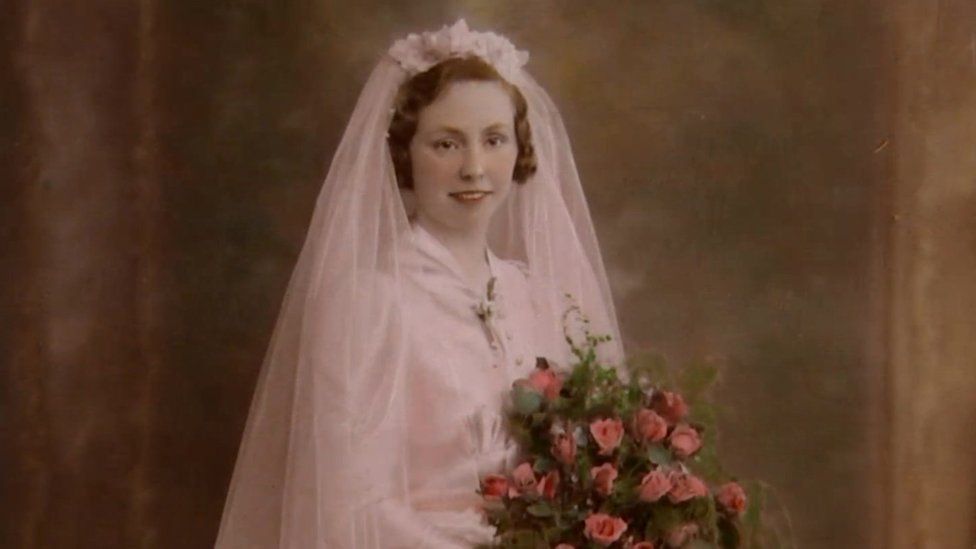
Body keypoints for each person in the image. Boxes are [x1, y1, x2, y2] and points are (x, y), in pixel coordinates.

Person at [215, 20, 622, 548]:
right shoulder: (370, 301)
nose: (474, 168)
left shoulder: (535, 296)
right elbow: (350, 508)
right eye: (446, 144)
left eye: (494, 140)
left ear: (518, 149)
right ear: (406, 153)